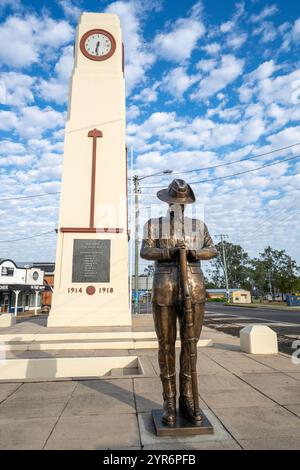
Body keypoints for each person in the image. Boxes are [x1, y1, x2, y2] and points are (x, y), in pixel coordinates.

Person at [140, 179, 217, 426]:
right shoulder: (153, 225)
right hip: (165, 285)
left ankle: (187, 398)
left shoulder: (198, 226)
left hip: (193, 285)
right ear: (167, 202)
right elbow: (145, 251)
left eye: (182, 203)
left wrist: (194, 252)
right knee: (165, 345)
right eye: (174, 202)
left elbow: (212, 249)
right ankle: (169, 401)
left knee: (190, 345)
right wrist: (169, 252)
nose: (178, 206)